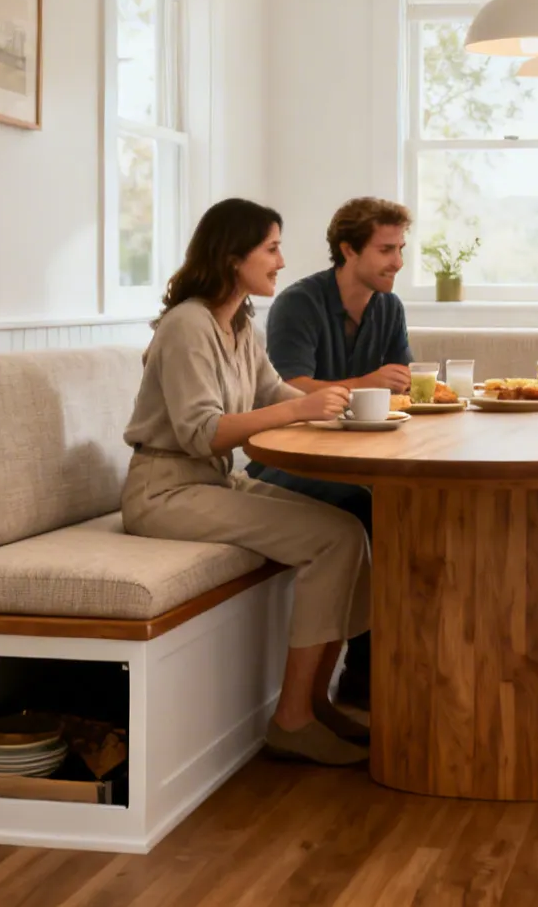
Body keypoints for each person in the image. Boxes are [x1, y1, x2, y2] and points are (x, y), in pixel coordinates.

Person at [122, 198, 372, 766]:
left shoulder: (237, 321)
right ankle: (291, 720)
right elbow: (200, 433)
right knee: (330, 540)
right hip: (164, 491)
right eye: (272, 247)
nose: (282, 261)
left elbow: (272, 393)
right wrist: (297, 412)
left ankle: (313, 700)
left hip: (211, 483)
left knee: (349, 528)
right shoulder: (189, 324)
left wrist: (339, 407)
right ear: (233, 256)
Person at [247, 196, 414, 708]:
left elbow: (400, 391)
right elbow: (288, 387)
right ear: (348, 249)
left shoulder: (389, 307)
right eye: (386, 250)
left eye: (400, 248)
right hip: (285, 463)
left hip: (358, 454)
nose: (397, 262)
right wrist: (366, 381)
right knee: (369, 505)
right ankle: (364, 678)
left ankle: (403, 663)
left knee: (402, 504)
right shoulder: (300, 302)